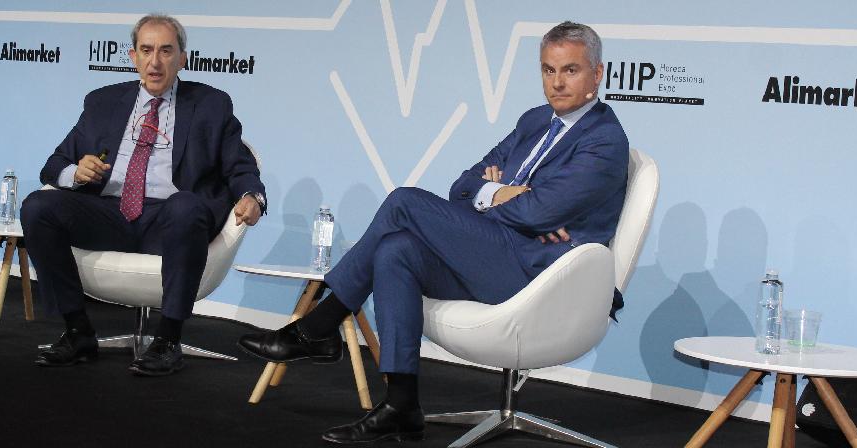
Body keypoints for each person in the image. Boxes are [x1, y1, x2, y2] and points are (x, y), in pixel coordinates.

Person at [237, 21, 627, 444]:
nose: (557, 82)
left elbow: (538, 211)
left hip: (538, 276)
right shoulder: (534, 121)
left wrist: (507, 201)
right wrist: (500, 193)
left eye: (570, 70)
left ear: (597, 74)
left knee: (404, 202)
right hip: (496, 254)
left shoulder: (604, 140)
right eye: (548, 70)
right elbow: (463, 186)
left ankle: (320, 326)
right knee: (396, 250)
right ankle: (401, 405)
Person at [23, 14, 265, 376]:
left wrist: (252, 196)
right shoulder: (103, 102)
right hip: (110, 213)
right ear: (133, 56)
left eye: (166, 51)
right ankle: (77, 331)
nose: (155, 62)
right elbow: (54, 164)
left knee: (185, 206)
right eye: (146, 50)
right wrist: (76, 172)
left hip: (170, 219)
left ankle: (168, 341)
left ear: (183, 59)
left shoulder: (211, 105)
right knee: (37, 207)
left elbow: (239, 165)